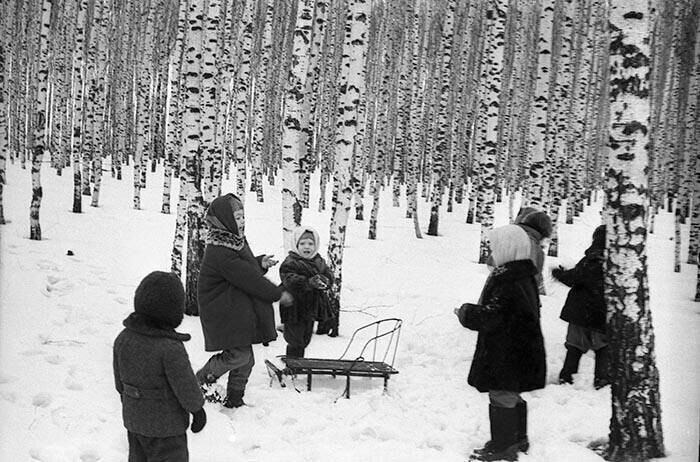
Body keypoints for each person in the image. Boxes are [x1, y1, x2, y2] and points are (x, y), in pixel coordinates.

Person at [455, 225, 546, 461]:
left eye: (495, 247)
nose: (492, 251)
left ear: (507, 248)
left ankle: (503, 446)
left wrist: (466, 313)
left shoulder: (509, 279)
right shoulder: (522, 274)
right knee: (510, 394)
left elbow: (494, 316)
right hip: (518, 348)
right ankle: (517, 438)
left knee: (501, 395)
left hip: (507, 351)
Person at [196, 193, 294, 408]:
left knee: (246, 358)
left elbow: (245, 269)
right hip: (221, 310)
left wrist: (260, 262)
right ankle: (201, 381)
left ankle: (235, 399)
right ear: (225, 220)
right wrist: (277, 294)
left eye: (242, 216)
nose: (242, 221)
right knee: (239, 356)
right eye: (237, 217)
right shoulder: (221, 250)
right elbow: (249, 279)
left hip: (232, 308)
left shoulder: (233, 242)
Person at [113, 271, 206, 462]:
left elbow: (119, 381)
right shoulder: (169, 347)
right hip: (167, 428)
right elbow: (185, 384)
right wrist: (197, 410)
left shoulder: (124, 338)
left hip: (135, 422)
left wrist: (130, 401)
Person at [552, 224, 610, 389]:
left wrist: (559, 273)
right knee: (602, 349)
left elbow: (574, 278)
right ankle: (602, 380)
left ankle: (566, 378)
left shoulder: (590, 260)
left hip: (579, 314)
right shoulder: (616, 264)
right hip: (602, 316)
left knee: (574, 347)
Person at [279, 226, 336, 358]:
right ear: (296, 244)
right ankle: (292, 363)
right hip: (294, 306)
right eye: (302, 243)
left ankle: (299, 361)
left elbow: (329, 276)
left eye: (311, 244)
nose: (307, 247)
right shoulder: (291, 262)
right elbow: (289, 279)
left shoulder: (319, 262)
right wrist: (309, 282)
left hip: (311, 307)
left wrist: (325, 281)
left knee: (305, 338)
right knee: (295, 339)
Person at [514, 206, 553, 294]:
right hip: (516, 299)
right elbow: (530, 279)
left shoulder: (511, 237)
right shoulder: (532, 246)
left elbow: (491, 262)